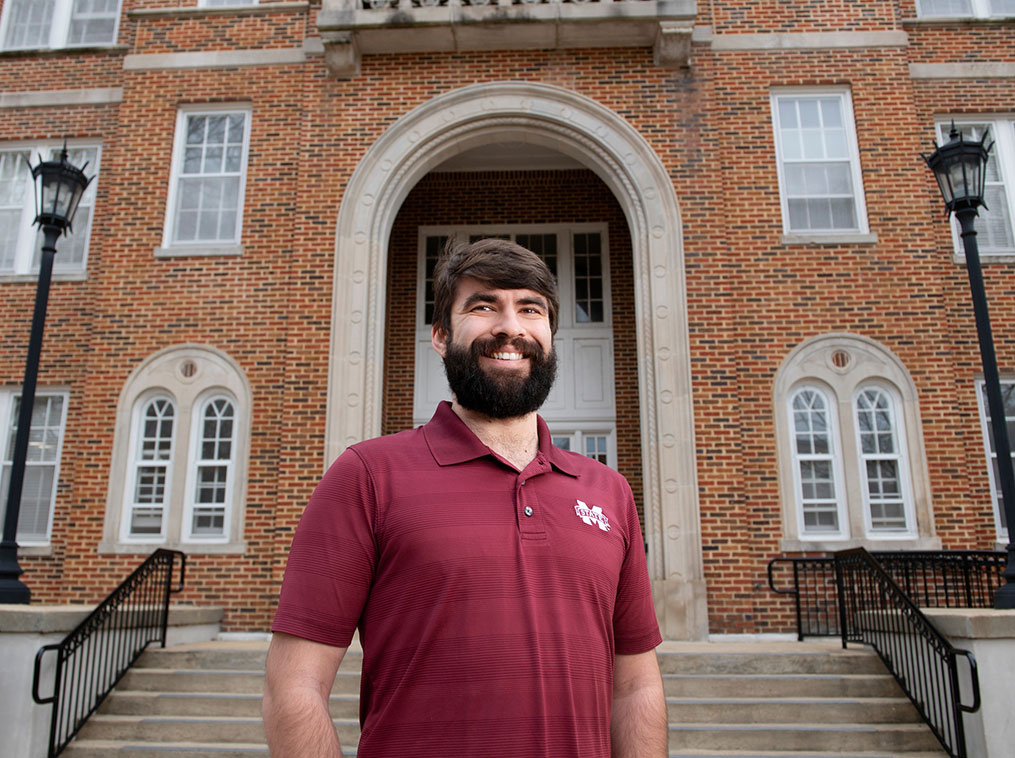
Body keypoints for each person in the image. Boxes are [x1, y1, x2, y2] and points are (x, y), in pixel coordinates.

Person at [262, 238, 666, 757]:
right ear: (440, 336)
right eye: (483, 306)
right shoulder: (367, 475)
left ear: (549, 334)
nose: (511, 327)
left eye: (530, 309)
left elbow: (636, 687)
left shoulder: (608, 491)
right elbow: (294, 687)